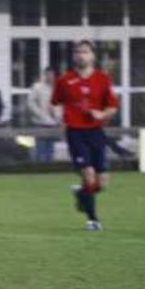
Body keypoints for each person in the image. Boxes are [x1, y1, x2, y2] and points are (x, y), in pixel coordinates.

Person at [51, 39, 119, 231]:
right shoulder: (64, 80)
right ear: (74, 56)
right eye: (78, 52)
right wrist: (58, 117)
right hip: (75, 132)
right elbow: (55, 103)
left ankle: (82, 194)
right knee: (88, 175)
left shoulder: (102, 79)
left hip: (96, 132)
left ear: (93, 56)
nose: (81, 55)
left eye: (85, 52)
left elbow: (112, 106)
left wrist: (102, 114)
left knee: (102, 182)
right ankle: (93, 220)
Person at [28, 67, 61, 162]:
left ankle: (49, 169)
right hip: (40, 123)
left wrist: (59, 118)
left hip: (53, 124)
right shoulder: (37, 87)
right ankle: (39, 169)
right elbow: (31, 103)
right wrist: (39, 114)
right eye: (48, 74)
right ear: (45, 75)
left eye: (52, 74)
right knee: (40, 148)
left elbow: (60, 104)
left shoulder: (57, 88)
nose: (50, 77)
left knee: (50, 149)